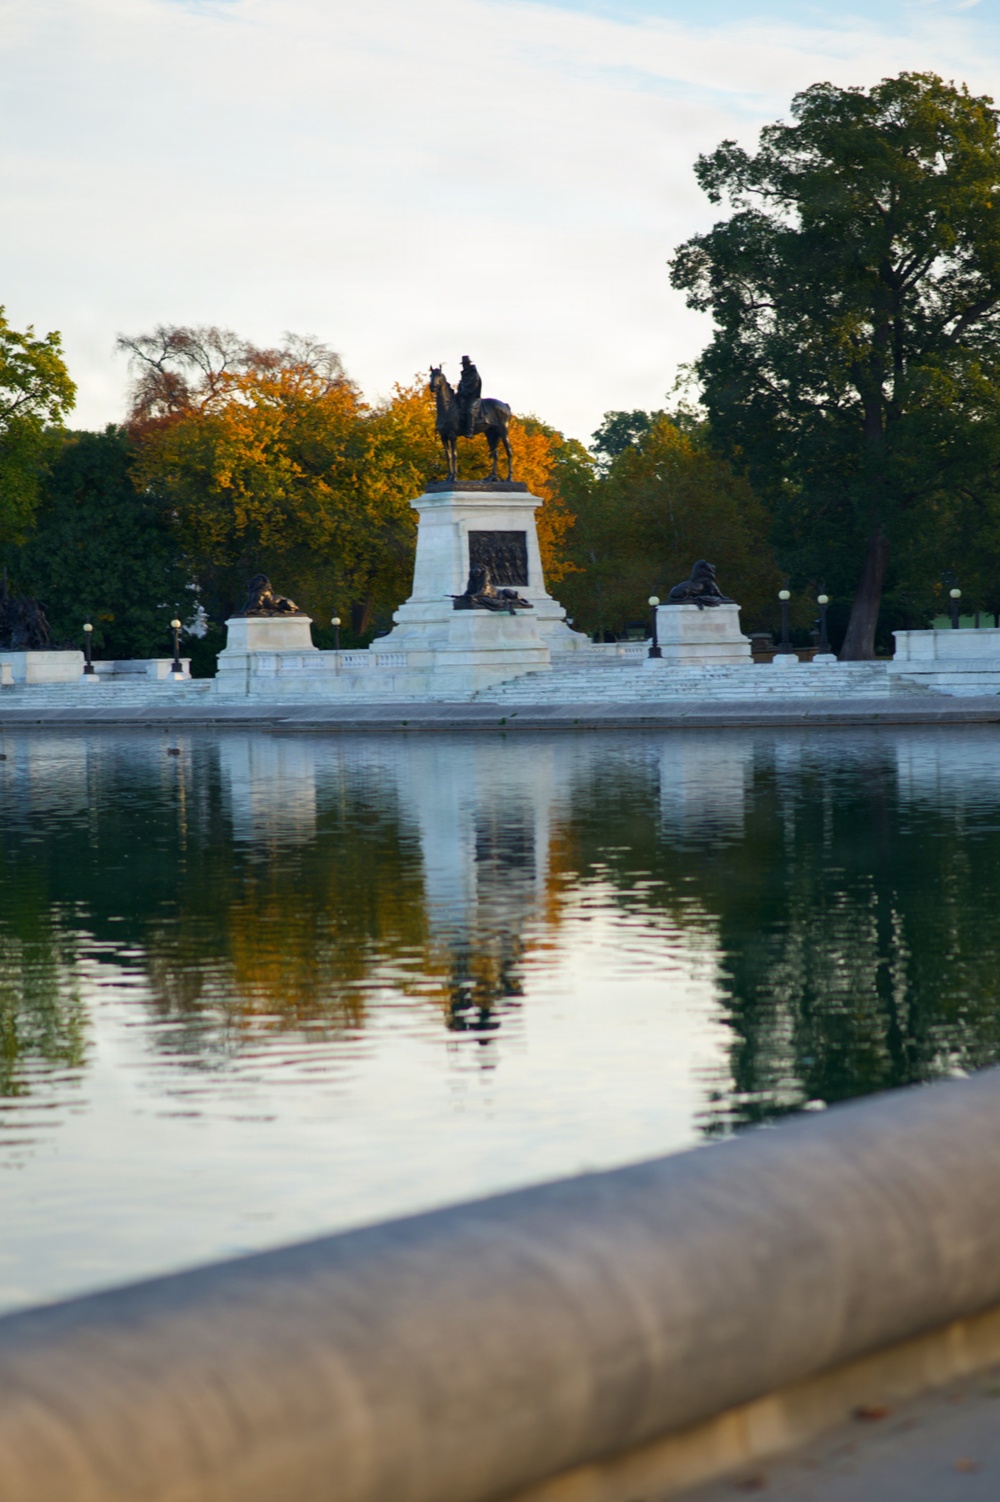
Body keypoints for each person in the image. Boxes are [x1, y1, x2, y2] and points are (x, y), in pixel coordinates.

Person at [456, 355, 482, 439]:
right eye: (463, 364)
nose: (464, 366)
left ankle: (470, 431)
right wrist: (458, 392)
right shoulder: (464, 375)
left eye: (465, 364)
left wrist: (462, 393)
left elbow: (472, 387)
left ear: (469, 364)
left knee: (470, 411)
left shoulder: (474, 374)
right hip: (464, 396)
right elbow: (461, 385)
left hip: (473, 397)